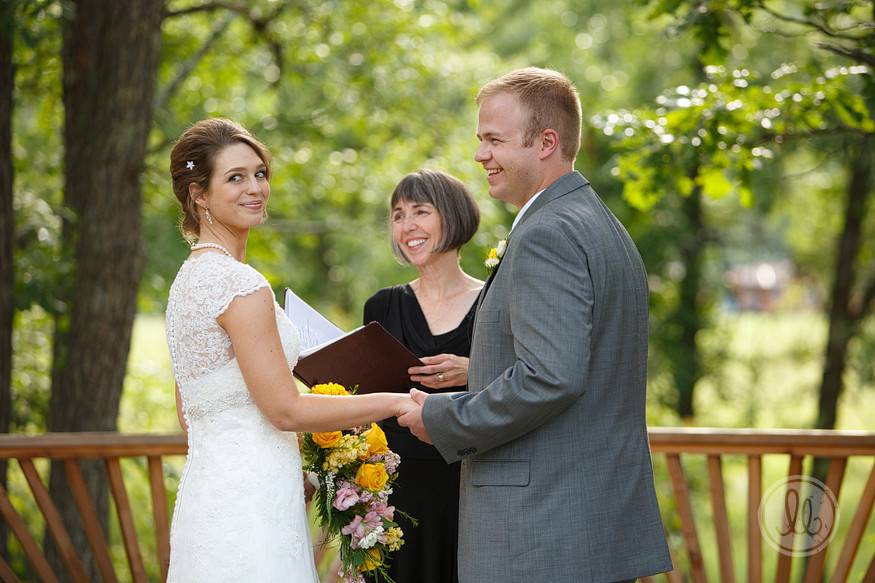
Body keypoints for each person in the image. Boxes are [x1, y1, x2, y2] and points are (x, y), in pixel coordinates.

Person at [398, 68, 673, 582]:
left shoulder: (548, 234)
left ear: (546, 143)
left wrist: (442, 418)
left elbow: (550, 377)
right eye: (481, 139)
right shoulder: (600, 225)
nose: (480, 155)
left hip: (541, 536)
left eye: (494, 140)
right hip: (587, 527)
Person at [164, 118, 415, 583]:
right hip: (254, 498)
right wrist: (398, 401)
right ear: (199, 193)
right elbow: (284, 409)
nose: (255, 187)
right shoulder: (240, 284)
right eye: (235, 177)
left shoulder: (186, 283)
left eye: (259, 173)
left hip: (209, 490)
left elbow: (188, 409)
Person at [363, 169, 482, 583]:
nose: (407, 225)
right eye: (397, 215)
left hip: (470, 488)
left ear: (452, 216)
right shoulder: (380, 306)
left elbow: (525, 384)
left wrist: (475, 370)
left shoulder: (495, 303)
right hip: (395, 494)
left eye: (420, 211)